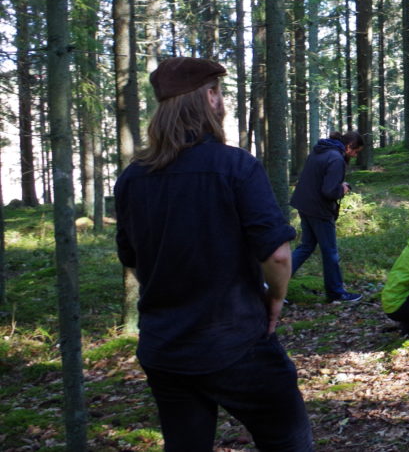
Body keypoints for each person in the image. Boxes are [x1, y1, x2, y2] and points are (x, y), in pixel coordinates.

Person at [115, 57, 312, 452]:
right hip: (235, 342)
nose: (221, 101)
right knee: (288, 440)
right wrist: (274, 300)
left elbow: (133, 259)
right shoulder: (235, 166)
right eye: (218, 92)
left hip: (164, 347)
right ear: (208, 97)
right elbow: (276, 255)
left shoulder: (132, 177)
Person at [289, 130, 364, 303]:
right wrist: (342, 189)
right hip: (319, 210)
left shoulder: (320, 151)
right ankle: (336, 292)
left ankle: (272, 283)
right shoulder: (336, 159)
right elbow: (329, 191)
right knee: (330, 252)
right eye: (356, 151)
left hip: (304, 205)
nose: (354, 155)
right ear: (349, 146)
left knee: (306, 246)